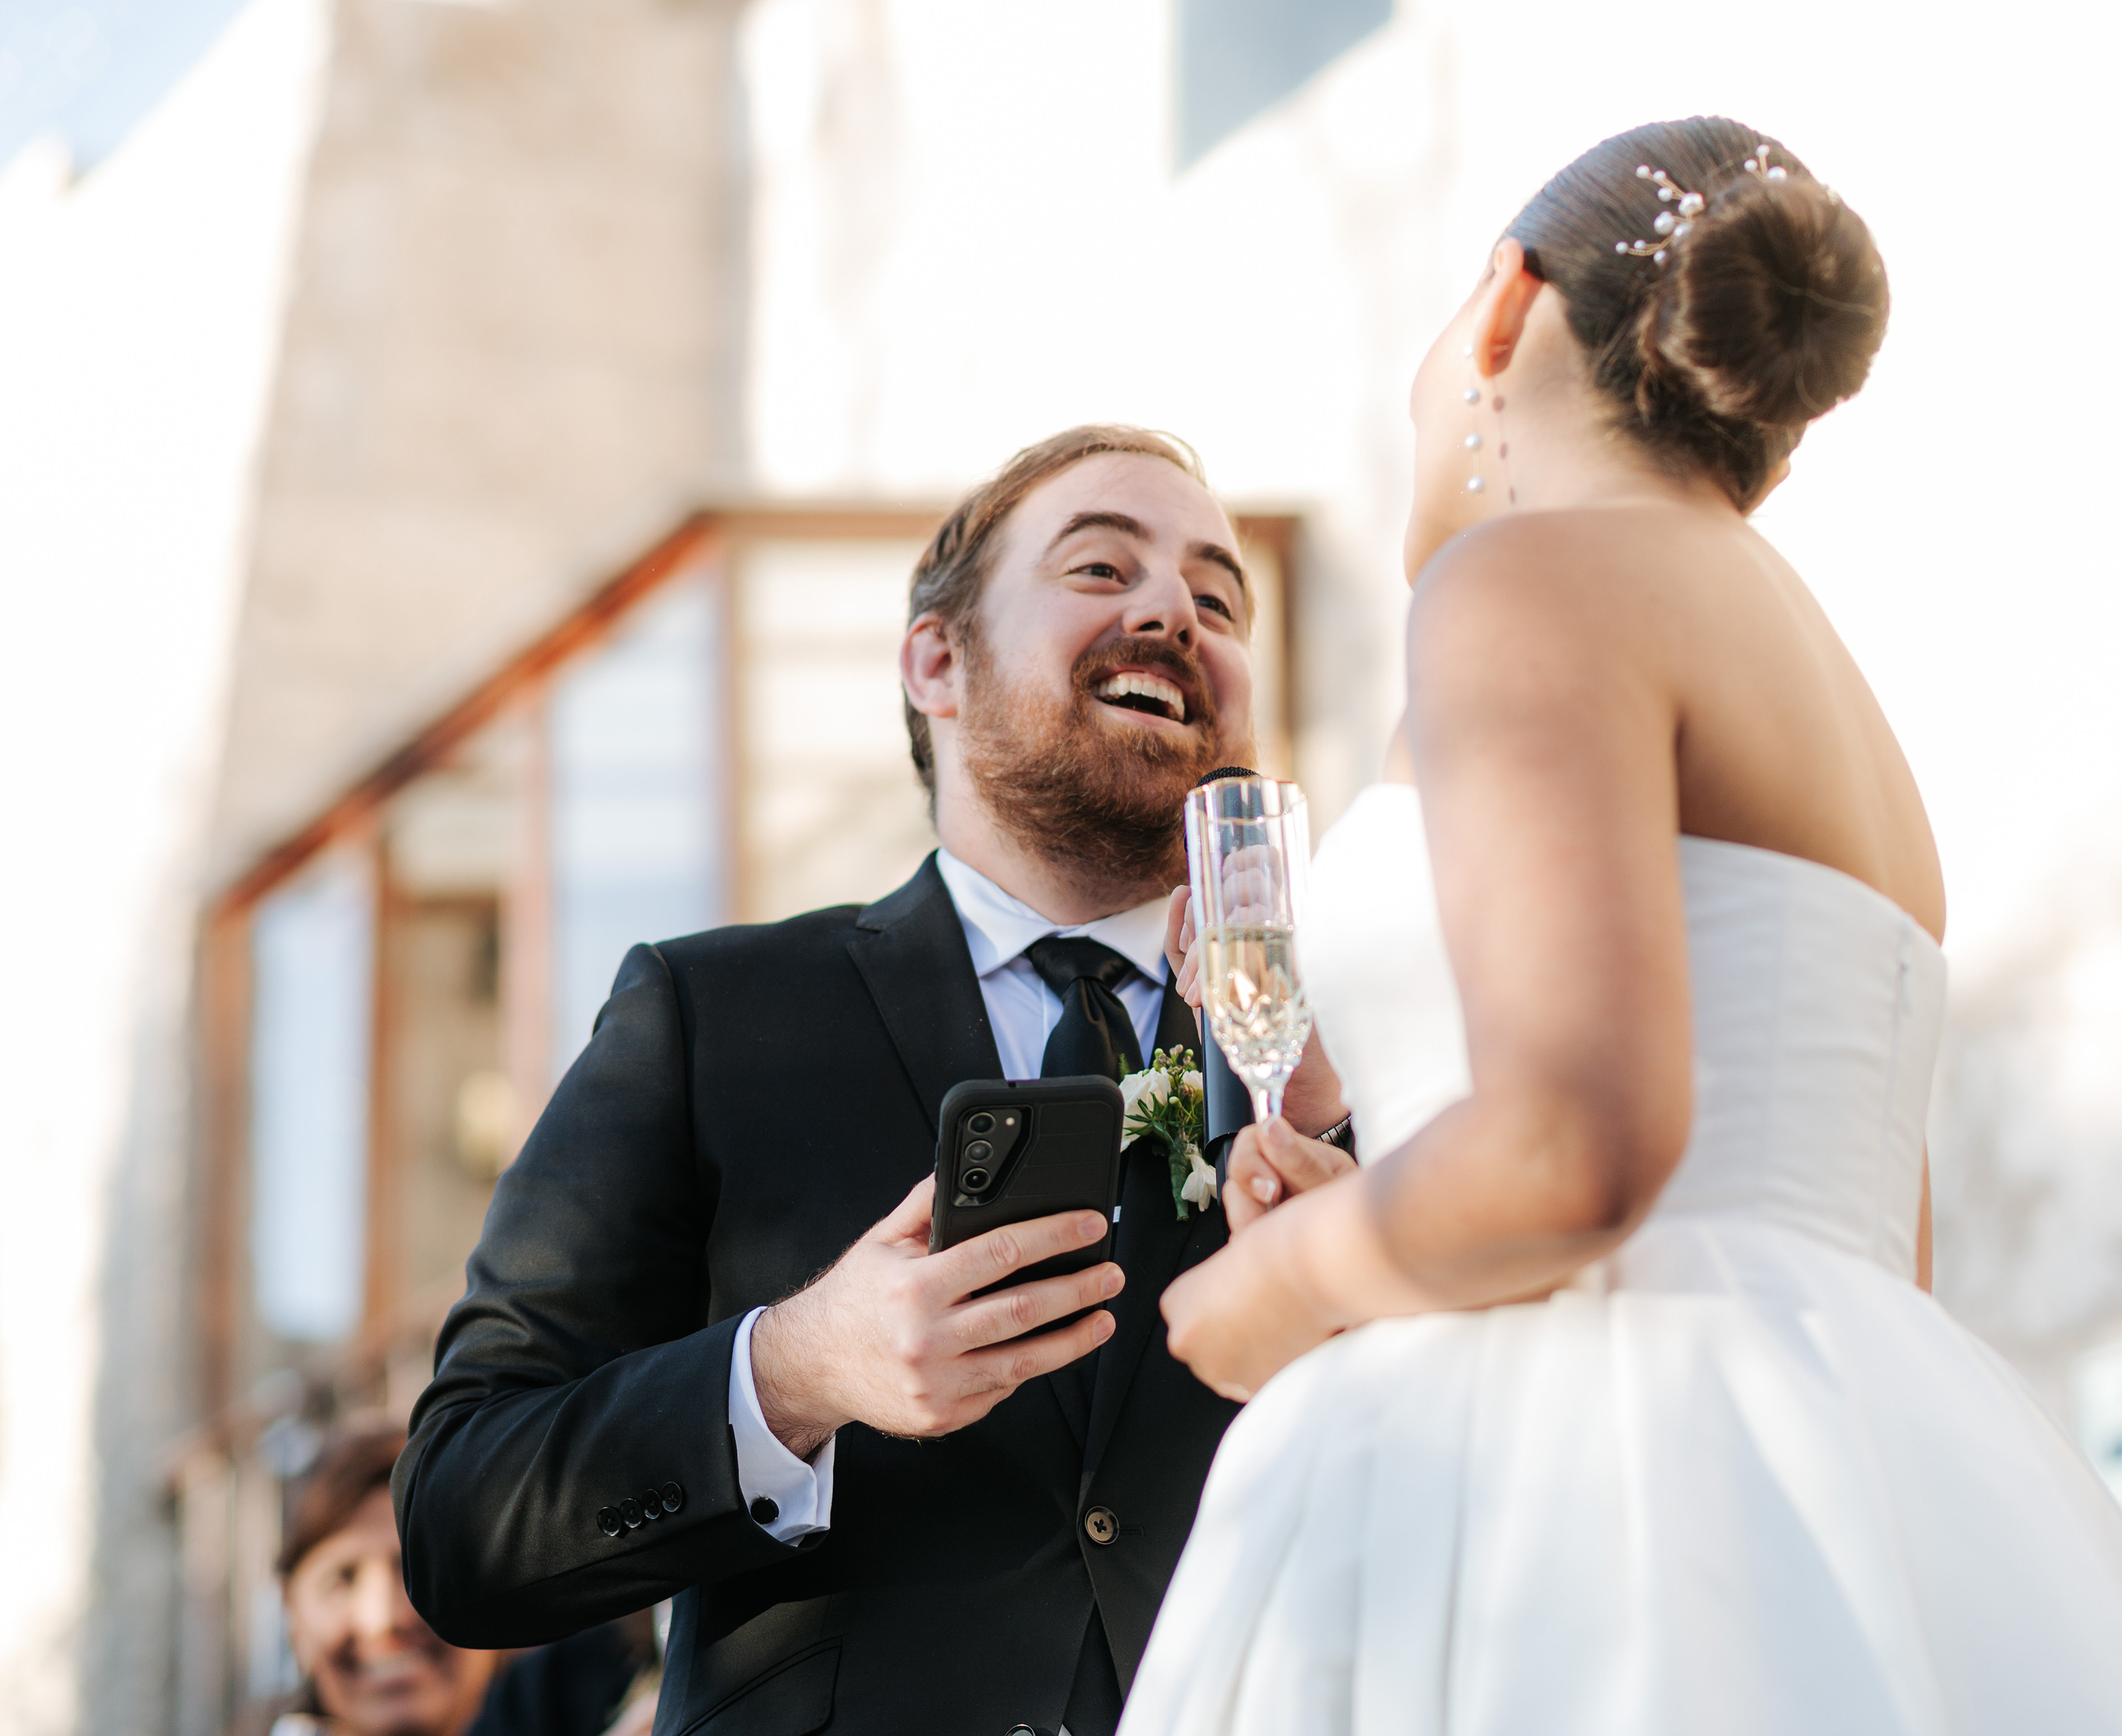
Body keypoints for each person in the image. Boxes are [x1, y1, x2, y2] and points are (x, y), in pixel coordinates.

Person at [1123, 118, 2122, 1733]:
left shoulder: (1523, 581)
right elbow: (1855, 1226)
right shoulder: (1840, 703)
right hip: (1854, 1448)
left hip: (1569, 1503)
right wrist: (1399, 1208)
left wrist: (1281, 1283)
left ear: (1503, 305)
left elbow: (1574, 1148)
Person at [394, 426, 1354, 1736]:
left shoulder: (1335, 1049)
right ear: (937, 662)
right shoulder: (711, 1017)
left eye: (1220, 598)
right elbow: (462, 1522)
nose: (1173, 613)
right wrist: (795, 1374)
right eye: (1100, 566)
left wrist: (1346, 1187)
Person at [275, 1422, 650, 1736]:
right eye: (341, 1581)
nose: (384, 1619)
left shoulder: (643, 1701)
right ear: (291, 1611)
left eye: (422, 1570)